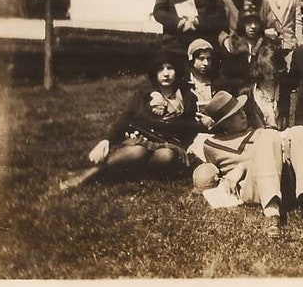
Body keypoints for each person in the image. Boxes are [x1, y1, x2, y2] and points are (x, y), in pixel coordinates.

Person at [58, 49, 203, 190]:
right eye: (160, 69)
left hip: (170, 145)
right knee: (137, 152)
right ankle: (90, 174)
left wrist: (189, 142)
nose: (165, 74)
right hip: (143, 139)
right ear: (154, 73)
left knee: (165, 157)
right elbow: (125, 118)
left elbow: (190, 127)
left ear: (176, 71)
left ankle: (132, 173)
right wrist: (107, 140)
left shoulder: (187, 97)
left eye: (170, 68)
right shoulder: (143, 95)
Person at [240, 43, 303, 234]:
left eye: (275, 72)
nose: (272, 77)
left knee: (300, 131)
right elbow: (243, 135)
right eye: (267, 72)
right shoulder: (246, 95)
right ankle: (272, 210)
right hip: (261, 161)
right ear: (259, 70)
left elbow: (296, 126)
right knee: (268, 135)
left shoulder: (291, 92)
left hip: (289, 161)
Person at [187, 91, 285, 238]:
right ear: (225, 122)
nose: (244, 115)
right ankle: (272, 212)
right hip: (250, 189)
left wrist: (242, 167)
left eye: (243, 111)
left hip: (277, 182)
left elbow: (275, 158)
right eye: (237, 114)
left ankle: (273, 213)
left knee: (269, 135)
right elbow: (208, 172)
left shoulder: (259, 134)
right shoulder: (210, 145)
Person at [220, 14, 277, 89]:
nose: (253, 26)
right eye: (248, 22)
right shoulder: (232, 44)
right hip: (237, 90)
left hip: (262, 89)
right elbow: (226, 75)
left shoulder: (267, 44)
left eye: (256, 22)